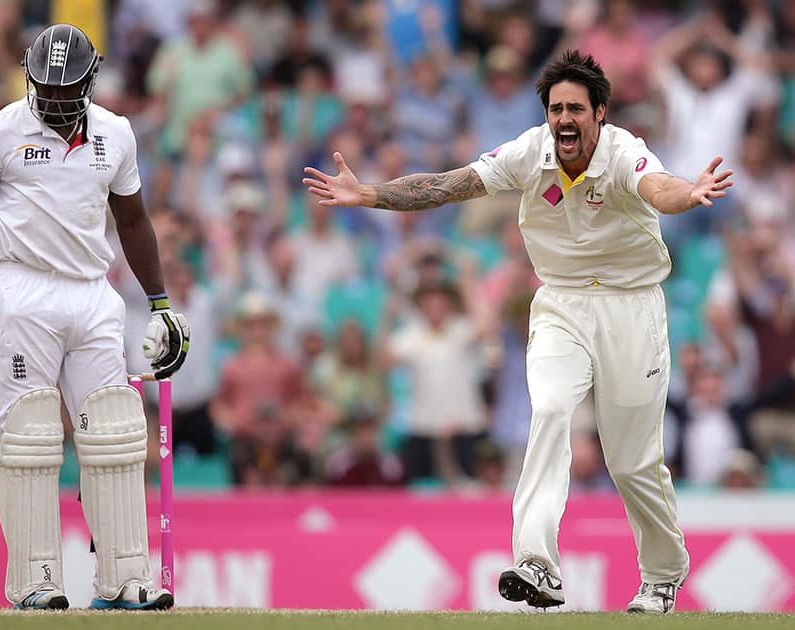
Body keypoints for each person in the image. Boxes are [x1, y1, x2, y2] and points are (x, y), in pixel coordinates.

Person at [304, 49, 734, 614]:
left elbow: (662, 189)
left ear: (600, 113)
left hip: (633, 308)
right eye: (556, 109)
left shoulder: (625, 152)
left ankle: (661, 575)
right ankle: (538, 562)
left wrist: (689, 193)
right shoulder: (530, 152)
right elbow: (447, 185)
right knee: (551, 410)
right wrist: (372, 194)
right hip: (560, 302)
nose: (564, 119)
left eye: (575, 108)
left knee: (631, 461)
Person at [0, 24, 189, 611]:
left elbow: (133, 223)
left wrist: (160, 303)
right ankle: (36, 581)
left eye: (69, 90)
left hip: (93, 290)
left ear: (91, 79)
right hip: (22, 290)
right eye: (48, 90)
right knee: (31, 436)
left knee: (114, 431)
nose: (58, 101)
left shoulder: (116, 133)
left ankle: (123, 579)